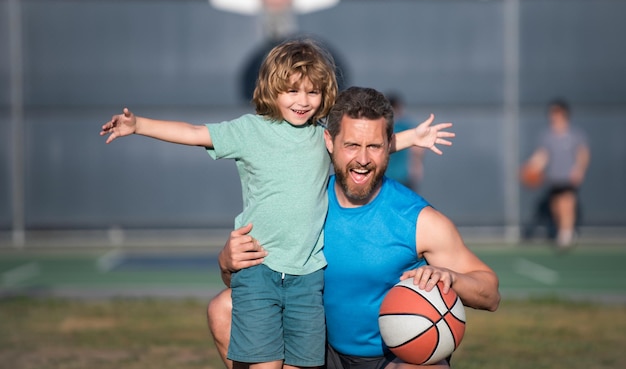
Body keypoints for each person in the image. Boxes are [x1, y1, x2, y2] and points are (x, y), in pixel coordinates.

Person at [100, 40, 454, 369]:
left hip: (307, 278)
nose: (303, 100)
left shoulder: (320, 137)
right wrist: (139, 125)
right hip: (260, 272)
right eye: (292, 90)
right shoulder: (249, 131)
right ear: (272, 89)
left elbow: (364, 147)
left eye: (313, 91)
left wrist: (412, 138)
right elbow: (194, 133)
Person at [207, 87, 501, 369]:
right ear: (329, 142)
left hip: (390, 356)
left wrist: (449, 277)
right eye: (352, 146)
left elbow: (490, 294)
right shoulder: (305, 203)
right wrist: (227, 263)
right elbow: (259, 289)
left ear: (389, 147)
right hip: (316, 347)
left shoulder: (419, 220)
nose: (362, 160)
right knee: (224, 310)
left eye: (374, 146)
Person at [522, 98, 590, 249]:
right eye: (552, 113)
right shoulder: (547, 136)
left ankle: (566, 235)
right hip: (554, 178)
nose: (553, 116)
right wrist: (530, 166)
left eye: (557, 113)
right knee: (556, 207)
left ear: (564, 113)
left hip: (568, 177)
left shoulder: (574, 134)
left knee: (567, 204)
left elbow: (583, 153)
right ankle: (562, 231)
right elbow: (542, 155)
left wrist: (579, 169)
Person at [385, 93, 425, 192]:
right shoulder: (407, 127)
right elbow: (417, 152)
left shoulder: (381, 128)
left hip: (385, 177)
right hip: (403, 177)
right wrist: (417, 166)